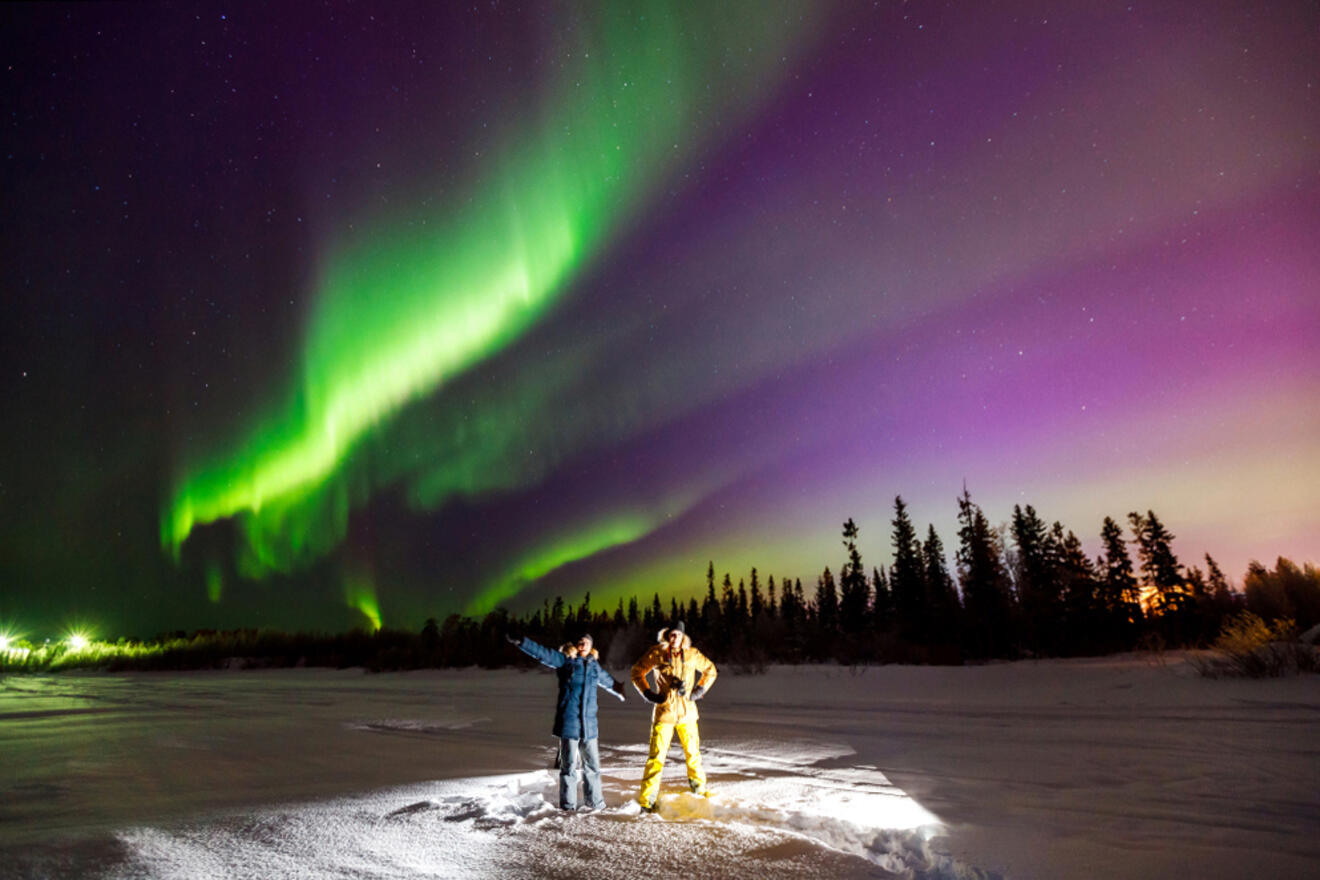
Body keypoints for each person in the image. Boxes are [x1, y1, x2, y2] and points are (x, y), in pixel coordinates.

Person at [507, 631, 626, 811]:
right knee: (568, 768)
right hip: (569, 723)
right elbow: (543, 653)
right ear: (576, 645)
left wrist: (619, 689)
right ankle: (568, 806)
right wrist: (522, 641)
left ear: (591, 646)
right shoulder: (565, 661)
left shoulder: (594, 667)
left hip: (589, 726)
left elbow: (608, 681)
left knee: (592, 767)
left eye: (586, 641)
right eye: (580, 641)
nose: (583, 644)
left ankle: (595, 804)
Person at [630, 620, 718, 812]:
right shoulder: (657, 653)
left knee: (693, 755)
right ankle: (647, 801)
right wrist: (648, 693)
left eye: (677, 634)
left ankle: (699, 792)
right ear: (666, 635)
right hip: (664, 714)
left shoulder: (692, 654)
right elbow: (637, 672)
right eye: (671, 633)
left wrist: (698, 691)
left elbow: (711, 671)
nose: (674, 637)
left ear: (683, 636)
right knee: (656, 757)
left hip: (688, 714)